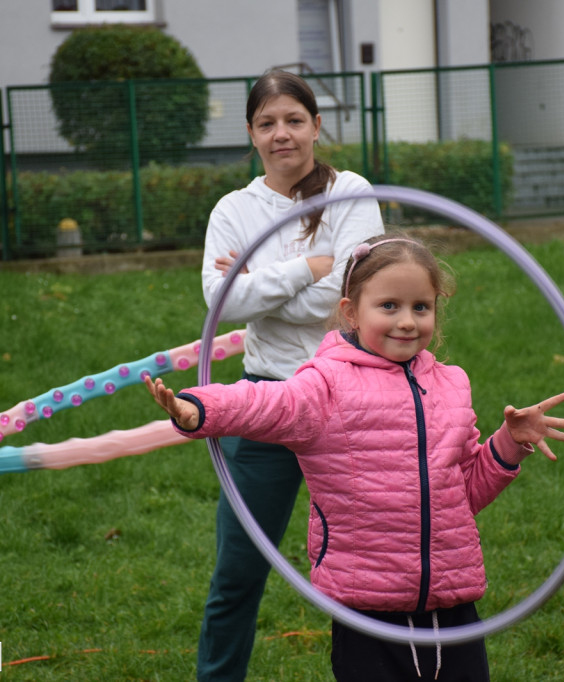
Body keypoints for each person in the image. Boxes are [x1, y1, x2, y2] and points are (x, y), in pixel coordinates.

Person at [147, 234, 564, 681]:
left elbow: (465, 492)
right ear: (351, 313)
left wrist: (510, 443)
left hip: (453, 603)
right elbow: (262, 402)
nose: (408, 322)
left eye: (421, 307)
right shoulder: (326, 386)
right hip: (368, 610)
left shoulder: (451, 384)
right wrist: (197, 408)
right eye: (389, 306)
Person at [195, 70, 384, 681]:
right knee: (237, 574)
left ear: (316, 126)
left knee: (373, 568)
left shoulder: (351, 192)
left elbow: (356, 298)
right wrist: (310, 266)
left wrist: (261, 285)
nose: (282, 134)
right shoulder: (234, 211)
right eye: (268, 123)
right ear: (251, 133)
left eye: (294, 120)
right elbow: (223, 304)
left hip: (349, 399)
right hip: (267, 400)